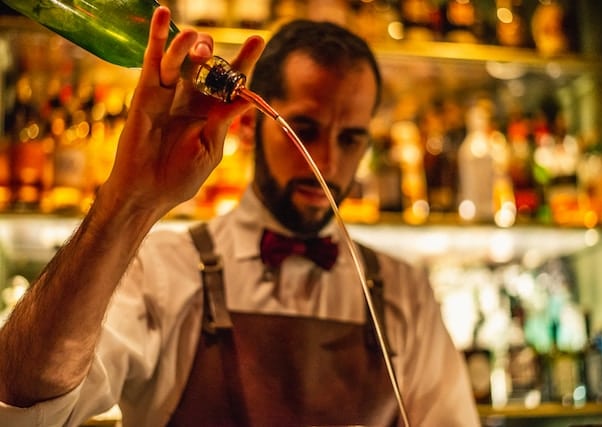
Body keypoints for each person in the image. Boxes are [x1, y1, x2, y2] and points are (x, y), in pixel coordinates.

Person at [0, 6, 480, 427]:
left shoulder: (405, 295)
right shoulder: (163, 269)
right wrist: (127, 202)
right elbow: (26, 404)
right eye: (306, 129)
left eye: (350, 137)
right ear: (250, 125)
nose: (328, 162)